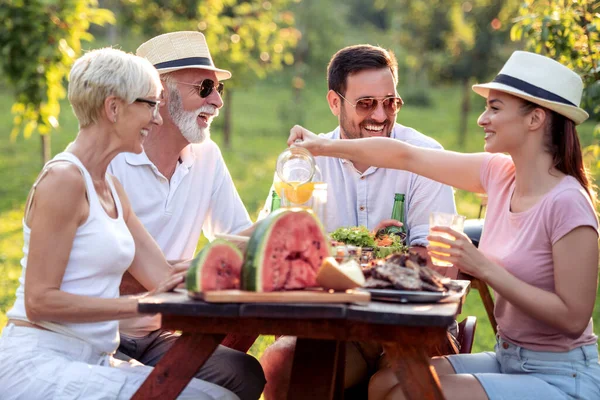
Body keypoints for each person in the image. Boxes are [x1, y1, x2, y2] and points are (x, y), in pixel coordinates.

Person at [289, 51, 600, 400]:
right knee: (382, 384)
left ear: (535, 119)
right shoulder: (499, 174)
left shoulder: (568, 203)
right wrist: (321, 146)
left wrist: (481, 266)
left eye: (495, 108)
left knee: (406, 394)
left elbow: (573, 319)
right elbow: (405, 154)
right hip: (509, 357)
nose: (482, 119)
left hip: (561, 374)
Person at [0, 48, 237, 399]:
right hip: (41, 362)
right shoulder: (64, 180)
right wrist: (141, 304)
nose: (157, 119)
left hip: (96, 358)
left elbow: (162, 278)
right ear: (113, 108)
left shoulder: (111, 187)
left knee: (221, 393)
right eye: (149, 106)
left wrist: (221, 270)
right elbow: (39, 301)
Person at [258, 44, 457, 399]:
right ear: (335, 103)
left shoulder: (427, 156)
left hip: (409, 327)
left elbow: (435, 265)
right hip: (332, 327)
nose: (380, 115)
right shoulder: (302, 163)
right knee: (278, 365)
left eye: (390, 102)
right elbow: (272, 244)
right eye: (366, 103)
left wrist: (345, 255)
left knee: (400, 379)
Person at [107, 31, 265, 399]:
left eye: (219, 89)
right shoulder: (111, 161)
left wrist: (285, 217)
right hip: (101, 333)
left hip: (159, 332)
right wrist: (188, 273)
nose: (217, 101)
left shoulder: (206, 156)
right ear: (160, 94)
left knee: (244, 374)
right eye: (205, 87)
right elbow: (99, 270)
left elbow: (239, 236)